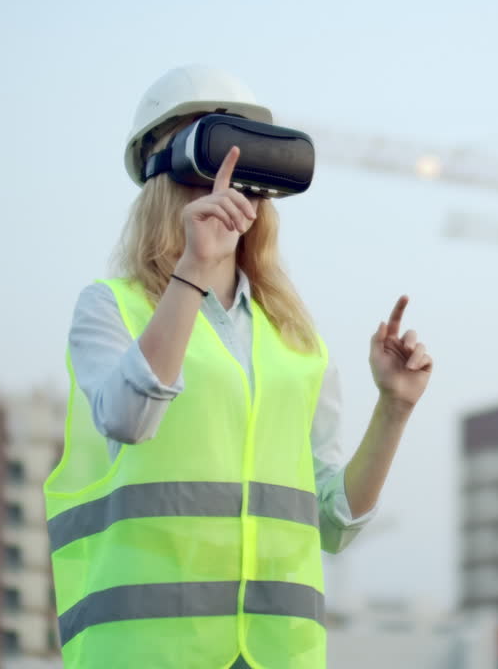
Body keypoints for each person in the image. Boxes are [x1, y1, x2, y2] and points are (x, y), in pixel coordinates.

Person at [43, 64, 433, 669]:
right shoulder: (111, 307)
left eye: (249, 164)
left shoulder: (294, 339)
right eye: (214, 158)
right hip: (148, 653)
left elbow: (334, 522)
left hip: (278, 655)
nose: (234, 184)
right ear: (163, 171)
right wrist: (193, 269)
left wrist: (395, 407)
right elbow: (127, 418)